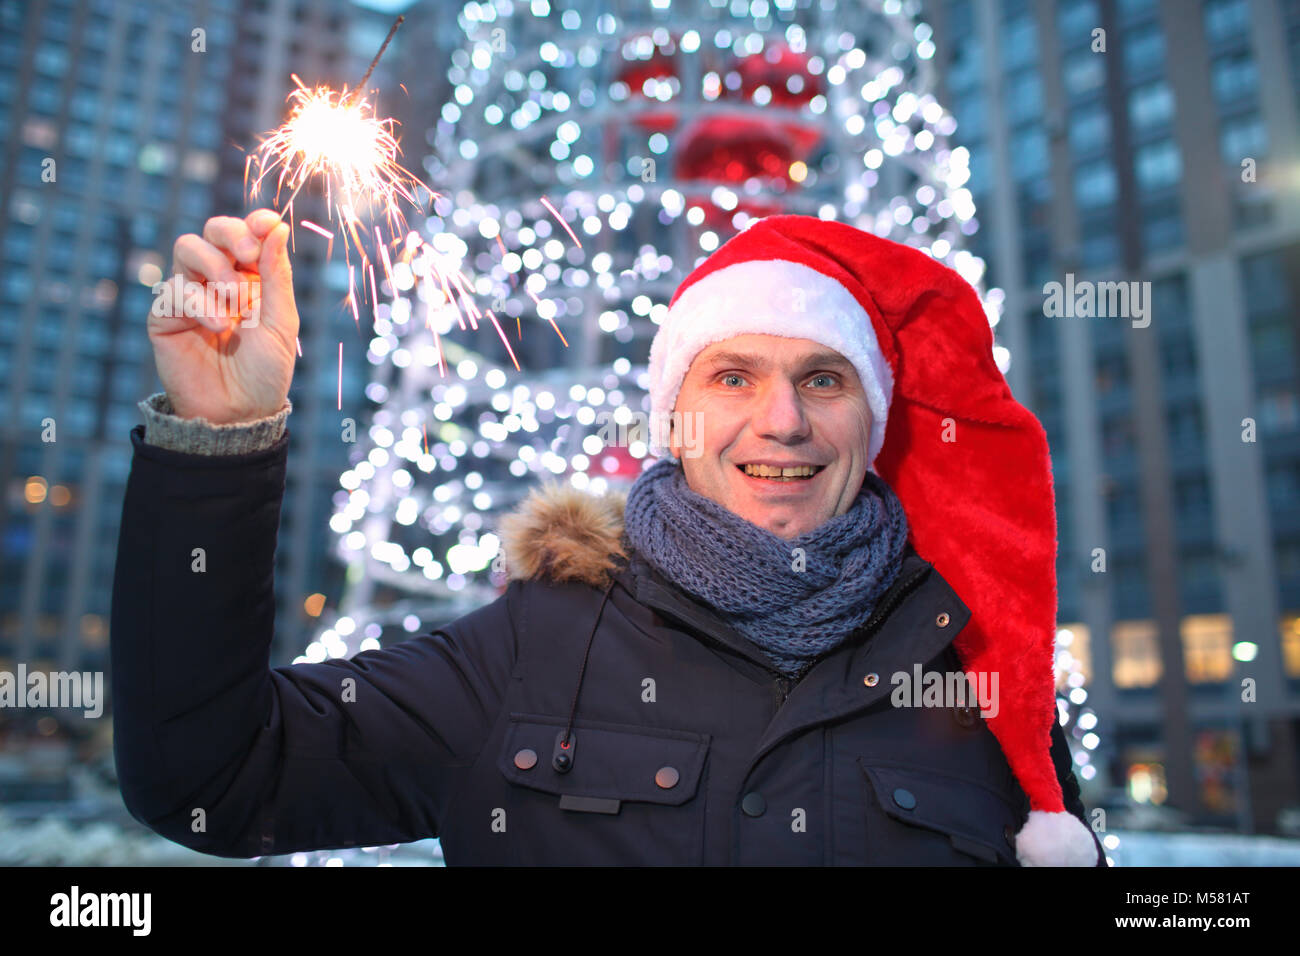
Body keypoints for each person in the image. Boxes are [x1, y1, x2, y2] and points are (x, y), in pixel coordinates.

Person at [111, 209, 1104, 866]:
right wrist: (220, 443)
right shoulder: (534, 644)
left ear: (871, 422)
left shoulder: (977, 677)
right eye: (731, 376)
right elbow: (216, 773)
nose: (783, 422)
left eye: (822, 379)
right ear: (672, 414)